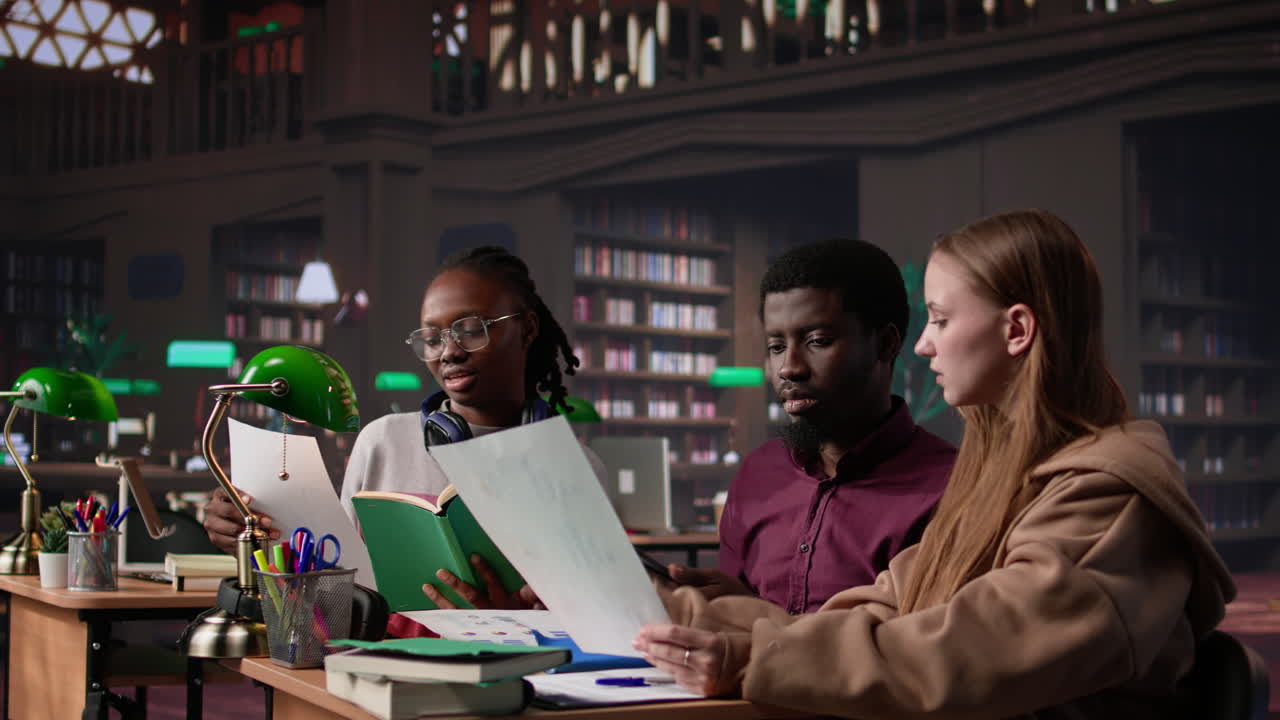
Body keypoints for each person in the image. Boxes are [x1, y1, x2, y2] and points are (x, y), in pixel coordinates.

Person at [634, 209, 1235, 718]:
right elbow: (883, 609)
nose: (924, 344)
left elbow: (962, 653)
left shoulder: (1109, 497)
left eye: (942, 320)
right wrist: (669, 609)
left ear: (1017, 329)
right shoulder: (1004, 481)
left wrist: (749, 659)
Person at [204, 245, 606, 614]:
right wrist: (252, 538)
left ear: (529, 329)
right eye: (432, 338)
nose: (449, 352)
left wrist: (516, 620)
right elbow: (337, 578)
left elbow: (600, 614)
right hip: (382, 662)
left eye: (470, 329)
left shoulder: (578, 468)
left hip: (520, 675)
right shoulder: (383, 441)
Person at [670, 238, 956, 613]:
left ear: (886, 344)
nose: (789, 367)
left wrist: (765, 624)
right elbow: (743, 624)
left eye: (817, 341)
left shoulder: (953, 488)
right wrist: (728, 606)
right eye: (776, 346)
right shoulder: (758, 474)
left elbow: (923, 648)